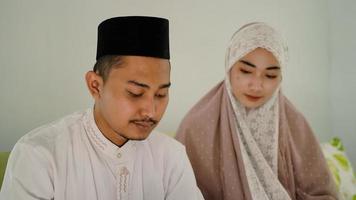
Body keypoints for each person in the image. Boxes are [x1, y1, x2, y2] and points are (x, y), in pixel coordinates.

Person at [0, 16, 203, 200]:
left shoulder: (171, 156)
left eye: (161, 94)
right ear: (95, 85)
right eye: (135, 93)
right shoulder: (40, 155)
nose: (150, 111)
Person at [176, 22, 338, 200]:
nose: (257, 85)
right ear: (229, 66)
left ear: (281, 77)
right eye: (246, 71)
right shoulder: (196, 127)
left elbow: (322, 192)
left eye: (270, 75)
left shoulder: (296, 126)